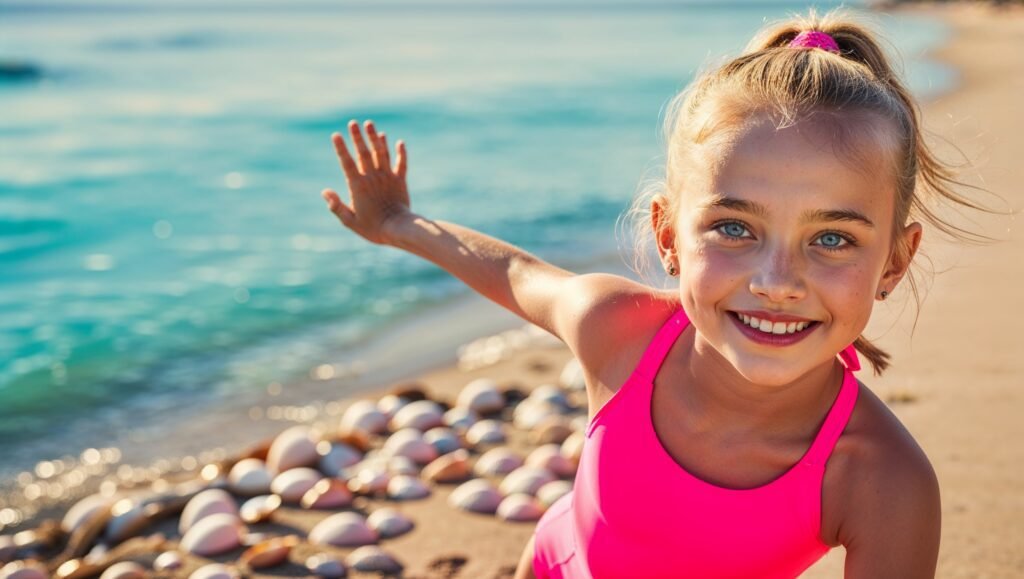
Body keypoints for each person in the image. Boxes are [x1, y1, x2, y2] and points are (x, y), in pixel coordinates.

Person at [319, 8, 990, 578]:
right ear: (668, 237)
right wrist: (399, 225)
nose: (777, 281)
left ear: (894, 262)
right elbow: (518, 275)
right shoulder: (619, 332)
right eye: (735, 227)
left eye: (833, 239)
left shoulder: (881, 480)